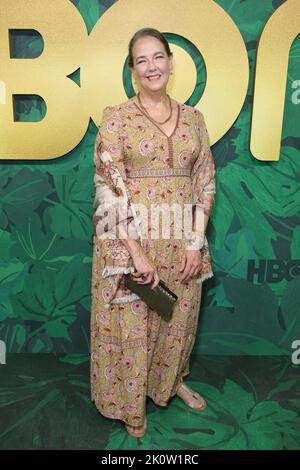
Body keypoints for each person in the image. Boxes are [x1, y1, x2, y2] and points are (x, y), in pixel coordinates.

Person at [90, 27, 216, 438]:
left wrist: (196, 242)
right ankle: (130, 403)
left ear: (170, 62)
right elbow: (107, 185)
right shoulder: (116, 118)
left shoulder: (195, 119)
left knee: (179, 315)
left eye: (158, 57)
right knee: (133, 322)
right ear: (132, 70)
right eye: (141, 60)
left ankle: (170, 382)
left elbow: (206, 181)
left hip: (182, 238)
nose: (151, 66)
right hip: (132, 241)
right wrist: (137, 253)